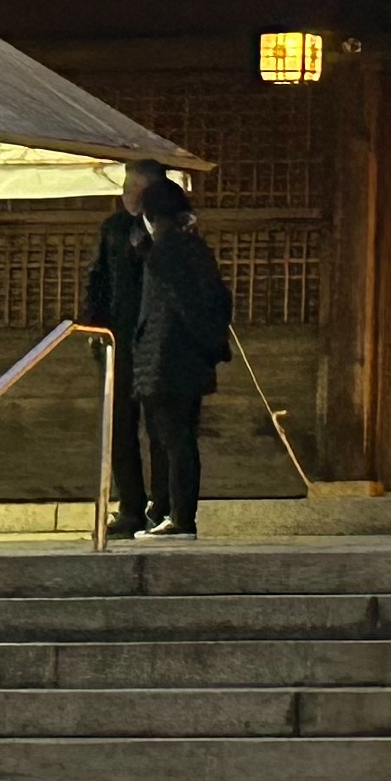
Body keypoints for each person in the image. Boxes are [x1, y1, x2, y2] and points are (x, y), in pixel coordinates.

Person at [128, 174, 232, 541]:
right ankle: (177, 513)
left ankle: (179, 516)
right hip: (188, 360)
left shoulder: (166, 251)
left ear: (153, 214)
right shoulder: (194, 248)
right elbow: (218, 300)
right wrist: (212, 345)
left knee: (173, 441)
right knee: (182, 439)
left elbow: (179, 304)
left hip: (166, 360)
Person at [82, 156, 163, 533]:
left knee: (161, 427)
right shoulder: (113, 227)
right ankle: (130, 505)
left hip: (156, 340)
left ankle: (162, 505)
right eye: (126, 187)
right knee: (120, 425)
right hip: (117, 337)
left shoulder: (168, 230)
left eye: (136, 189)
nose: (128, 196)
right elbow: (97, 278)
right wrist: (94, 327)